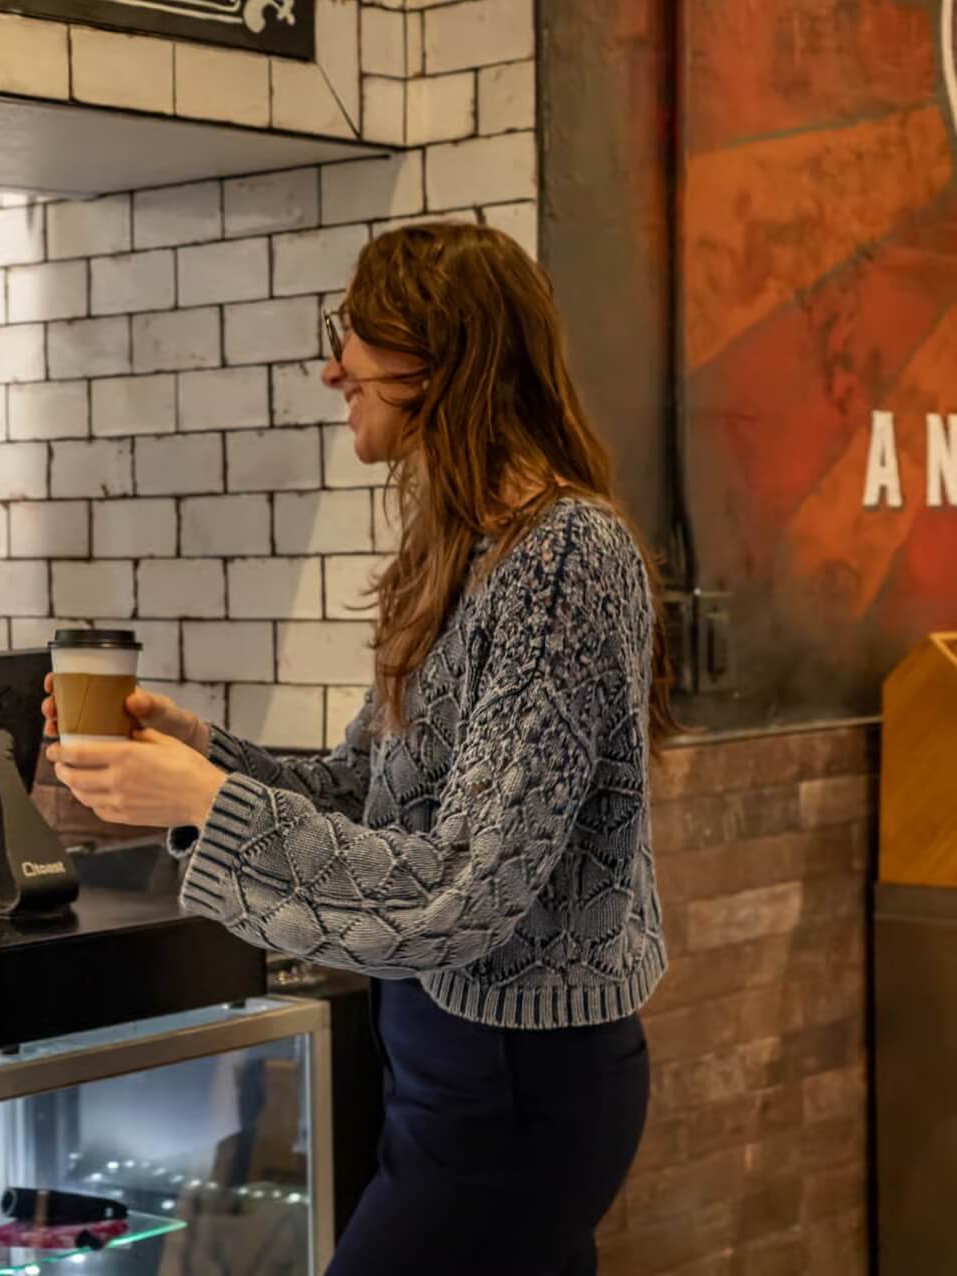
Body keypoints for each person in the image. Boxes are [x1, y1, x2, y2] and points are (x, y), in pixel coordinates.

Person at [44, 222, 674, 1275]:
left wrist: (204, 800)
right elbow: (362, 791)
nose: (333, 367)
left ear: (445, 361)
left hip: (515, 1089)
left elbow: (466, 889)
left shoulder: (562, 556)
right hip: (454, 1072)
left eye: (357, 336)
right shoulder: (466, 547)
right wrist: (202, 753)